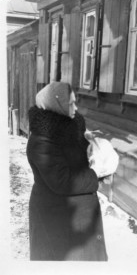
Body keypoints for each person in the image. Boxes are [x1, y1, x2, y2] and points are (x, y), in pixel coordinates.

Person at [26, 81, 108, 261]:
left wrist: (87, 140)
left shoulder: (69, 124)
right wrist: (96, 174)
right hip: (58, 217)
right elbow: (62, 181)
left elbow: (71, 150)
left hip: (78, 214)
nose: (76, 107)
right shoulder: (41, 140)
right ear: (57, 105)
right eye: (71, 104)